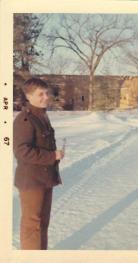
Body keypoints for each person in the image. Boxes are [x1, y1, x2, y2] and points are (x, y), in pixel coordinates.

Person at [13, 78, 64, 250]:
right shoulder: (24, 120)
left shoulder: (41, 116)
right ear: (28, 96)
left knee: (42, 224)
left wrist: (54, 156)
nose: (46, 97)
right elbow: (21, 151)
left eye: (47, 93)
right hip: (31, 181)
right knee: (32, 226)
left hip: (45, 178)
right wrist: (52, 156)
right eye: (40, 94)